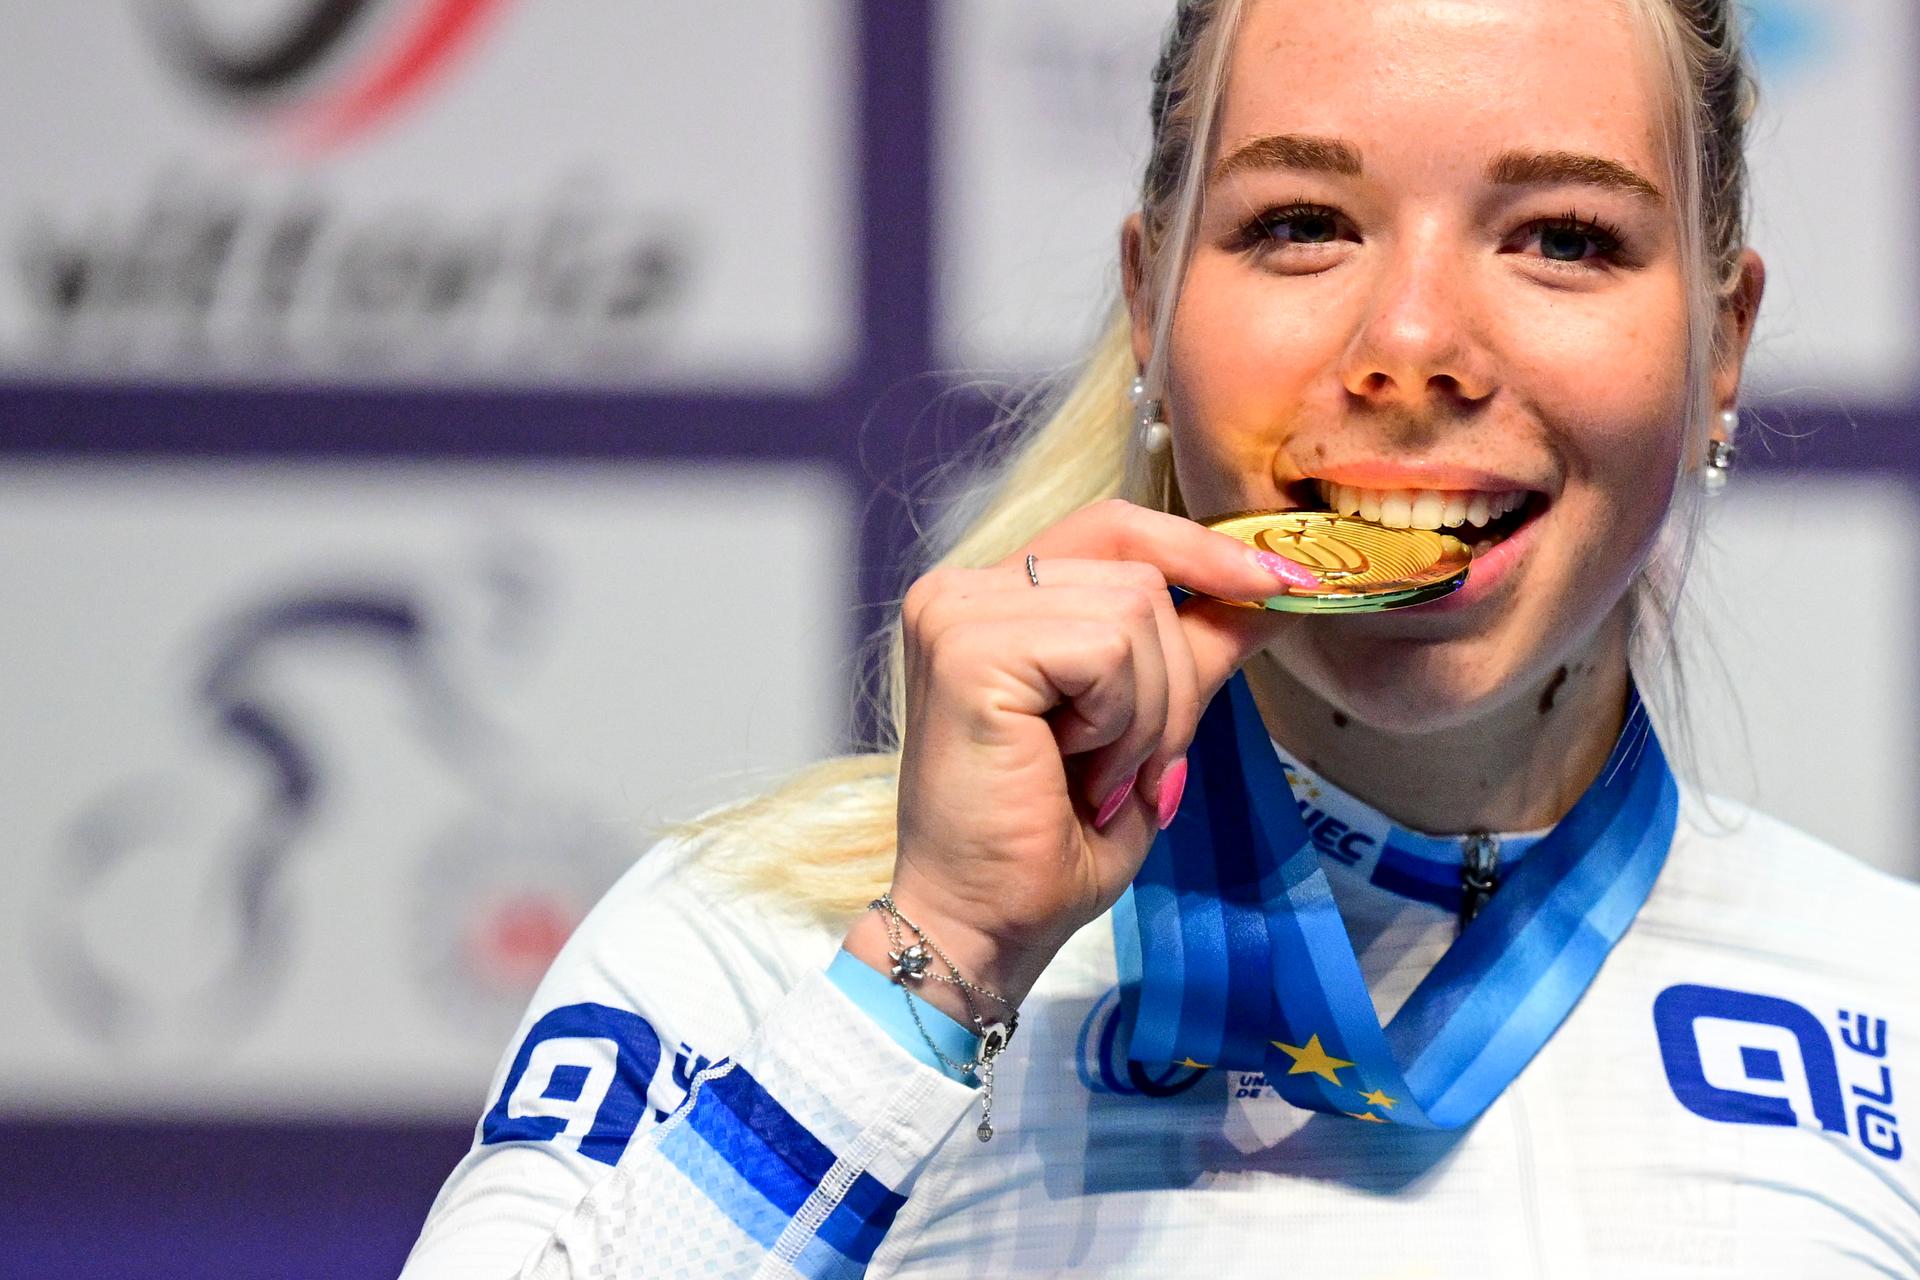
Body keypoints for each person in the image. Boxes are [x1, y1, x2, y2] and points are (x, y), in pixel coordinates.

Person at [402, 0, 1920, 1275]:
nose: (1412, 347)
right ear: (1150, 307)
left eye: (1564, 239)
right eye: (1303, 224)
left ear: (1722, 346)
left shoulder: (1888, 1006)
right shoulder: (771, 946)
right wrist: (932, 976)